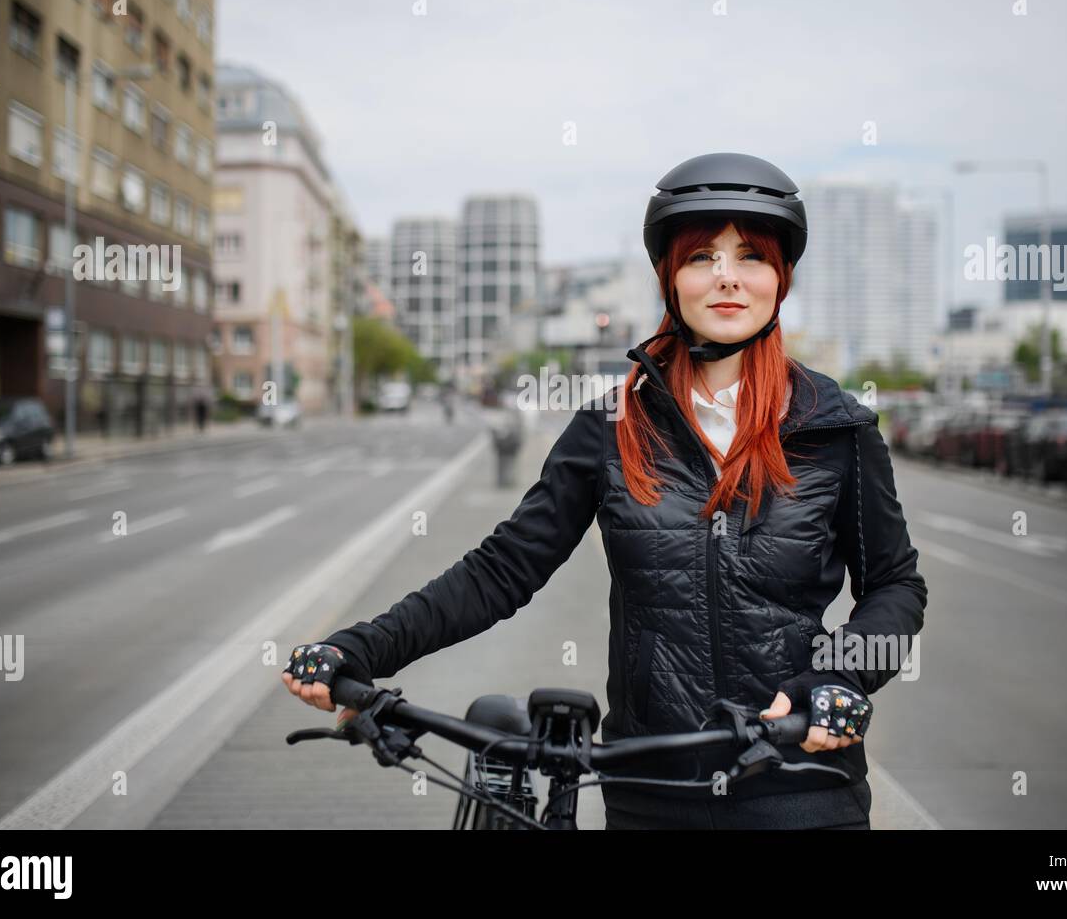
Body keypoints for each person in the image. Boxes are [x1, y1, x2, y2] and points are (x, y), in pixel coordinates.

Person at [282, 152, 928, 829]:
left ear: (781, 277)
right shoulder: (610, 426)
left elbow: (894, 585)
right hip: (651, 789)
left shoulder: (836, 429)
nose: (728, 278)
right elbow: (502, 570)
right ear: (669, 279)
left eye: (751, 257)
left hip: (803, 786)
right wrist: (359, 648)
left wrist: (839, 680)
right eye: (702, 256)